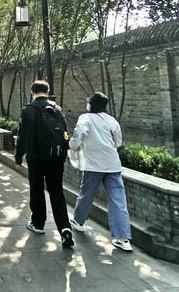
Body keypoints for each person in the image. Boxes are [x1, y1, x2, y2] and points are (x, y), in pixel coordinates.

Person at [68, 92, 133, 252]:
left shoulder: (85, 118)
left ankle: (79, 221)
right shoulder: (112, 120)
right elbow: (118, 142)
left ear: (91, 105)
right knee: (118, 200)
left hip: (93, 164)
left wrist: (73, 145)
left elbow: (78, 134)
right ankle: (123, 238)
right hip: (112, 164)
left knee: (87, 194)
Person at [14, 80, 74, 248]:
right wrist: (63, 153)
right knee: (56, 192)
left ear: (32, 92)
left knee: (37, 189)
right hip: (56, 158)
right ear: (47, 92)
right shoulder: (57, 109)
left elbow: (22, 136)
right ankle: (65, 228)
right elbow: (65, 133)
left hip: (36, 158)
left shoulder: (28, 110)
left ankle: (38, 223)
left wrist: (18, 158)